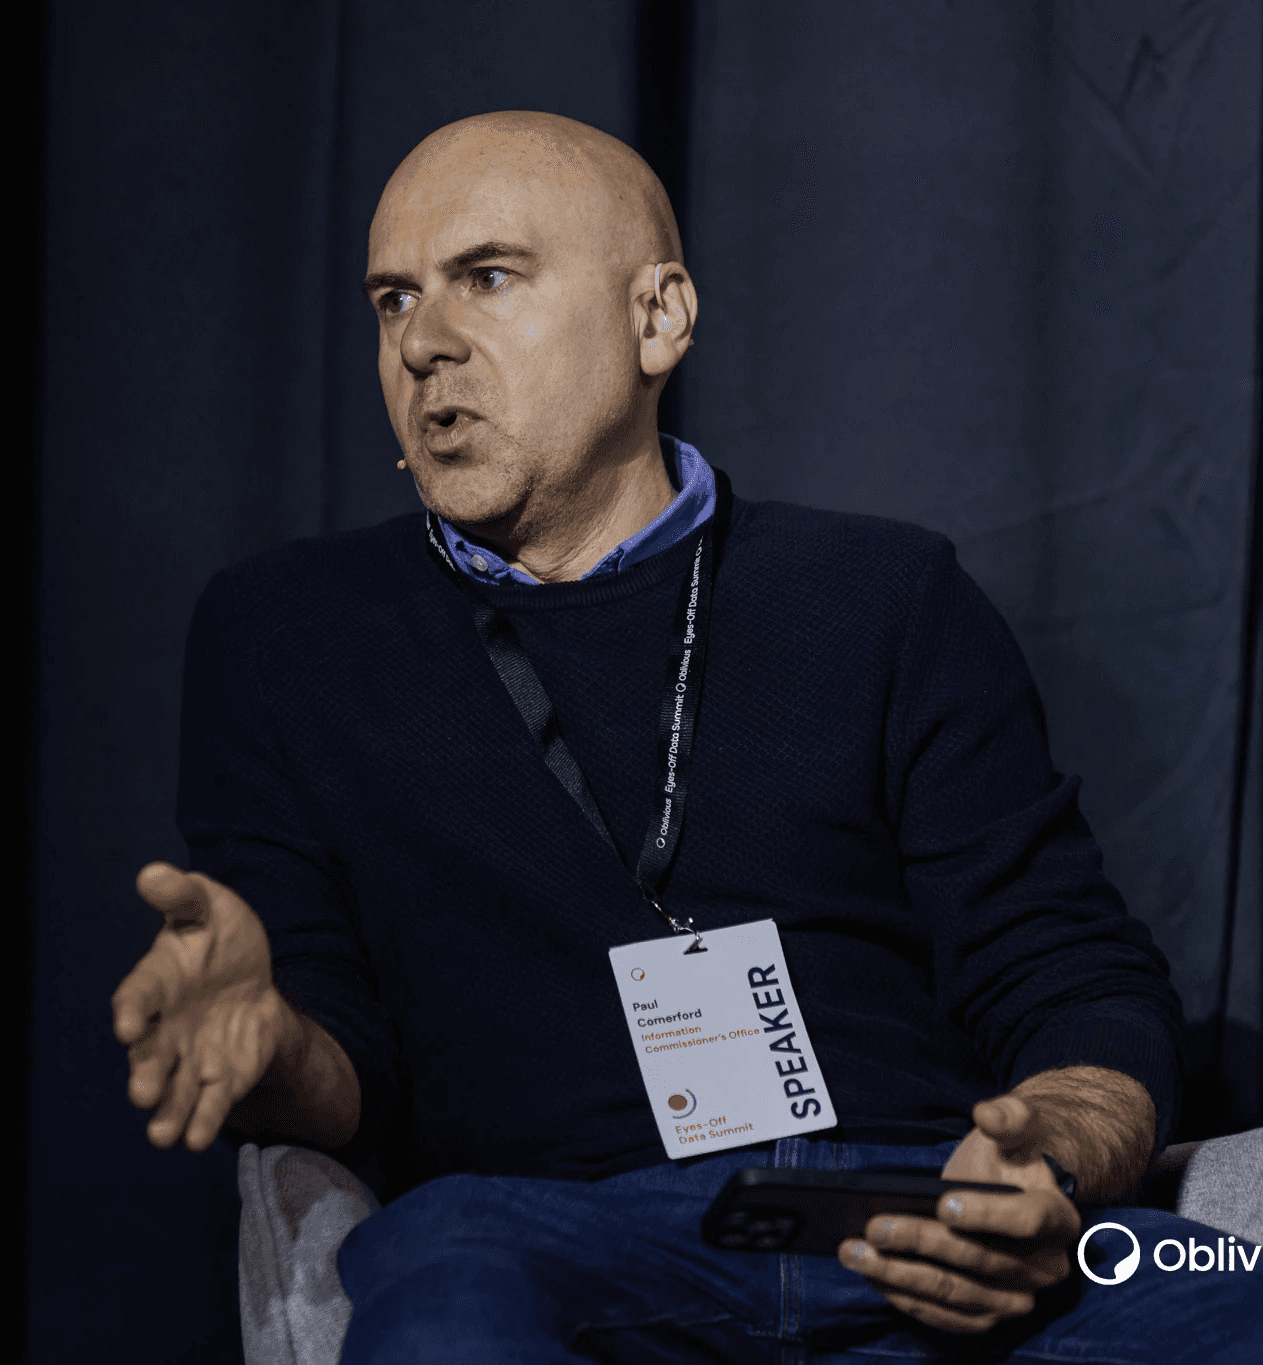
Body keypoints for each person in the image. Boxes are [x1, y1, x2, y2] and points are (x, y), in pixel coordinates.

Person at [111, 112, 1259, 1362]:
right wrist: (272, 1042)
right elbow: (339, 1060)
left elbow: (1072, 977)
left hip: (915, 1218)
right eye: (393, 300)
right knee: (445, 1286)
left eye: (485, 277)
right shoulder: (288, 635)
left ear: (657, 318)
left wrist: (1047, 1162)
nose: (422, 343)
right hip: (561, 1233)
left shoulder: (882, 595)